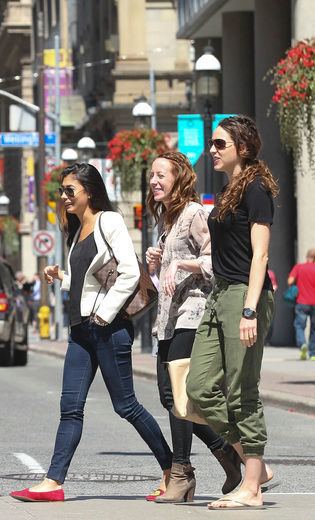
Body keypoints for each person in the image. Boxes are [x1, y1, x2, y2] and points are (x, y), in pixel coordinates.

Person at [10, 162, 172, 503]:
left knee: (126, 406)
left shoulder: (108, 221)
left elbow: (128, 272)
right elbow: (90, 283)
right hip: (82, 330)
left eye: (71, 190)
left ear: (90, 192)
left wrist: (104, 314)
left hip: (108, 329)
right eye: (62, 191)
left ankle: (173, 471)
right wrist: (63, 277)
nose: (65, 197)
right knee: (70, 407)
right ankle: (53, 482)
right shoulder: (75, 229)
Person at [186, 115, 277, 510]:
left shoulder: (256, 189)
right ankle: (258, 466)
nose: (212, 150)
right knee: (199, 387)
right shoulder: (226, 191)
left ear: (243, 146)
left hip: (245, 295)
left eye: (220, 144)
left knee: (243, 390)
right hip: (218, 294)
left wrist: (250, 310)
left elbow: (261, 255)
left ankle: (252, 486)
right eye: (212, 143)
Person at [145, 151, 241, 503]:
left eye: (161, 175)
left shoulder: (195, 213)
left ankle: (182, 473)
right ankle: (226, 453)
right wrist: (158, 261)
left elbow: (215, 259)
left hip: (194, 313)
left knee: (179, 398)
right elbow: (167, 273)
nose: (154, 181)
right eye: (152, 176)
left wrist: (182, 263)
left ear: (178, 178)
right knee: (170, 397)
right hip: (168, 317)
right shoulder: (166, 221)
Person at [288, 249, 315, 360]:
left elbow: (290, 281)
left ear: (307, 256)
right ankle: (313, 354)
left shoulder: (299, 267)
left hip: (302, 302)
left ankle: (302, 344)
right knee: (314, 329)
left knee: (299, 326)